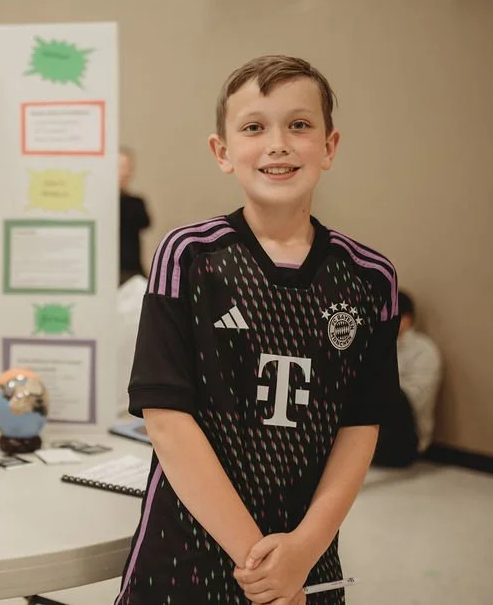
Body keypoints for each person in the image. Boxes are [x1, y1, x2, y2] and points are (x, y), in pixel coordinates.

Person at [115, 55, 400, 605]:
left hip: (305, 555)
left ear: (330, 146)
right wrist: (263, 568)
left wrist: (302, 551)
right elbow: (167, 422)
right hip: (186, 552)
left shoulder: (370, 278)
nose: (278, 143)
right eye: (253, 127)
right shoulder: (189, 257)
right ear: (222, 152)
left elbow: (361, 426)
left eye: (299, 124)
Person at [372, 290, 441, 467]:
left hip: (406, 435)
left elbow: (413, 400)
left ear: (407, 319)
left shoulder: (424, 350)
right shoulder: (380, 344)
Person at [119, 146, 152, 285]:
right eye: (120, 167)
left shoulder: (135, 202)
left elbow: (145, 222)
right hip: (107, 269)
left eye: (127, 167)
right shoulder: (101, 203)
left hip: (131, 270)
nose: (124, 172)